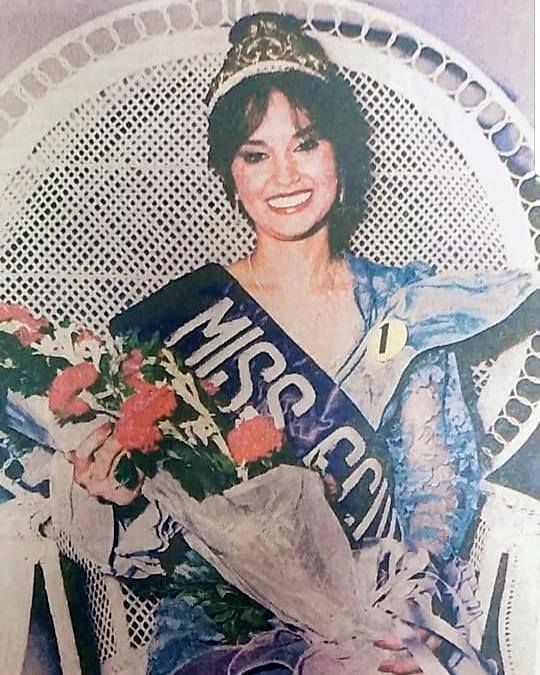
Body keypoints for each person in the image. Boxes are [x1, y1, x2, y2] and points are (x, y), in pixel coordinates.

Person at [67, 12, 537, 675]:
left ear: (340, 154)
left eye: (306, 144)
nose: (284, 175)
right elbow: (163, 551)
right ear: (231, 174)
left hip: (377, 619)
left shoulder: (403, 307)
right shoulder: (178, 325)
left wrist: (411, 614)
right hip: (222, 638)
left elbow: (434, 494)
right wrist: (118, 496)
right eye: (255, 154)